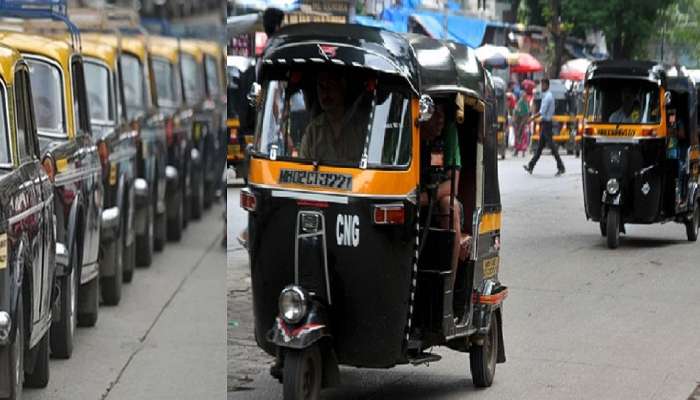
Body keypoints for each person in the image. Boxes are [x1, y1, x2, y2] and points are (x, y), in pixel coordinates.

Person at [419, 101, 472, 265]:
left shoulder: (447, 132)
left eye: (444, 112)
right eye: (435, 111)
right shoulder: (406, 130)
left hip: (428, 197)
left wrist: (419, 199)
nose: (441, 118)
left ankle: (449, 285)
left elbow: (453, 185)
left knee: (450, 205)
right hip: (407, 194)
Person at [299, 70, 366, 164]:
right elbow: (302, 167)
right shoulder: (313, 131)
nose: (325, 93)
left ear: (342, 85)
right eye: (321, 87)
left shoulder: (363, 127)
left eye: (330, 85)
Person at [523, 78, 566, 176]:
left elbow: (542, 112)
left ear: (547, 85)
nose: (541, 87)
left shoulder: (548, 97)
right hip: (545, 124)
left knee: (552, 147)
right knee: (539, 148)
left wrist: (531, 118)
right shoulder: (547, 96)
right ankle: (531, 166)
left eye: (543, 85)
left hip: (547, 124)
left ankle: (561, 167)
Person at [667, 108, 687, 206]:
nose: (671, 115)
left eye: (673, 113)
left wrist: (673, 131)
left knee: (678, 175)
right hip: (668, 152)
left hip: (677, 151)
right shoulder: (667, 122)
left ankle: (678, 197)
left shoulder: (679, 121)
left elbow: (682, 135)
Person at [512, 92, 530, 157]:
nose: (524, 97)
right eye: (523, 96)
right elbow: (515, 112)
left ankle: (522, 151)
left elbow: (526, 114)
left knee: (523, 136)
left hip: (523, 122)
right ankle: (517, 151)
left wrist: (524, 122)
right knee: (518, 136)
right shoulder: (520, 103)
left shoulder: (525, 103)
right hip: (518, 122)